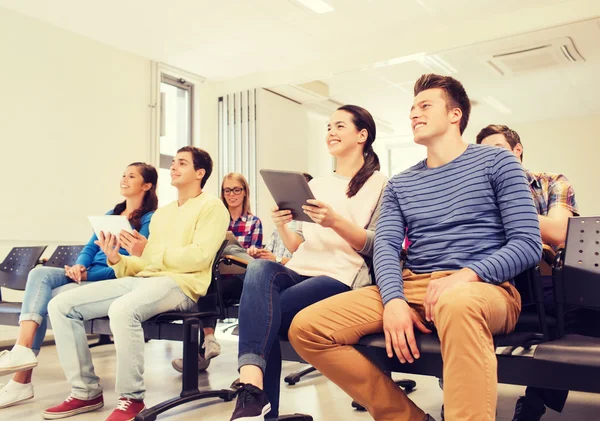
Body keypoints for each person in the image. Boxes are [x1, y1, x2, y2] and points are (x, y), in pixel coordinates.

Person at [289, 74, 542, 421]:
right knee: (308, 327)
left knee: (457, 302)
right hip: (413, 285)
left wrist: (464, 277)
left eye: (425, 106)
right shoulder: (401, 184)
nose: (413, 114)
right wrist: (392, 300)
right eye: (411, 109)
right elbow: (386, 248)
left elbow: (528, 244)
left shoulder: (498, 163)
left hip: (483, 288)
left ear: (455, 115)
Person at [41, 146, 229, 421]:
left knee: (123, 310)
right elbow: (146, 262)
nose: (174, 167)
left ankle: (132, 399)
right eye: (174, 162)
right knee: (60, 305)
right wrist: (118, 260)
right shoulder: (164, 213)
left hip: (182, 284)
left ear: (200, 173)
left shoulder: (212, 207)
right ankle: (85, 392)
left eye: (183, 163)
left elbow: (199, 258)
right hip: (145, 279)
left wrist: (148, 253)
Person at [229, 105, 388, 421]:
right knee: (259, 269)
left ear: (362, 135)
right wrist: (282, 225)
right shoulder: (316, 185)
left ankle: (258, 405)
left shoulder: (383, 184)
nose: (330, 132)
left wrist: (335, 221)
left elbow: (376, 245)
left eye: (339, 126)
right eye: (328, 126)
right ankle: (254, 388)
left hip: (341, 275)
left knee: (264, 315)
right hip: (301, 268)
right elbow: (298, 246)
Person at [0, 162, 158, 410]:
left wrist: (88, 275)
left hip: (109, 276)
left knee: (46, 297)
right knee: (40, 274)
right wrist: (79, 266)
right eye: (123, 174)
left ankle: (21, 380)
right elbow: (91, 247)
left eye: (132, 176)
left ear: (147, 185)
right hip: (87, 273)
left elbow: (133, 262)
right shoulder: (111, 215)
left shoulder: (150, 219)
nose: (124, 179)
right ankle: (22, 350)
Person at [476, 124, 580, 421]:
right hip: (497, 281)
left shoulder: (552, 183)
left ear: (516, 151)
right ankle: (468, 401)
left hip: (548, 283)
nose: (489, 159)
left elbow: (560, 232)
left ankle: (534, 401)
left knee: (579, 309)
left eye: (496, 149)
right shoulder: (477, 192)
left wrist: (510, 212)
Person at [170, 172, 264, 373]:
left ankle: (205, 348)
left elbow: (252, 257)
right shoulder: (216, 219)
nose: (231, 194)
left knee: (206, 285)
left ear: (245, 192)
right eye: (227, 190)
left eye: (236, 189)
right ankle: (207, 344)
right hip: (217, 275)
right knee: (204, 283)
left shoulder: (253, 222)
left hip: (240, 278)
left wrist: (251, 251)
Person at [247, 173, 313, 266]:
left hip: (292, 272)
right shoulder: (282, 218)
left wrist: (276, 259)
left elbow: (307, 263)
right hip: (275, 268)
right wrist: (259, 254)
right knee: (255, 265)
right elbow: (268, 252)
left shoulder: (311, 223)